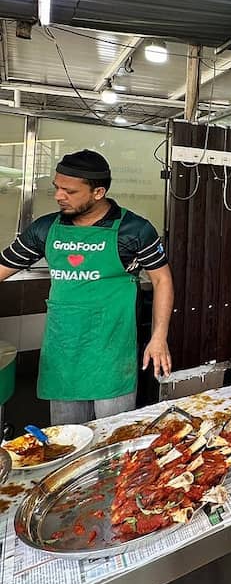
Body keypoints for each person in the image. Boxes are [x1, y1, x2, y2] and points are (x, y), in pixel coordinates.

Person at [0, 150, 174, 425]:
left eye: (69, 191)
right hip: (63, 350)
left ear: (98, 192)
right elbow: (2, 268)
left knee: (114, 438)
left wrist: (158, 336)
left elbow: (162, 279)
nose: (59, 196)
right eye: (57, 188)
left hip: (112, 353)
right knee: (68, 441)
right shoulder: (45, 229)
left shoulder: (134, 230)